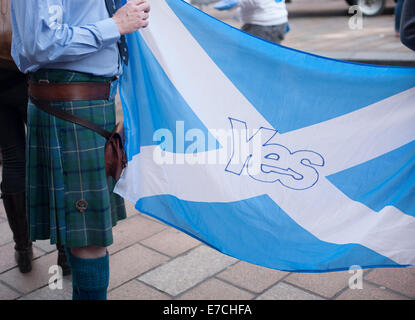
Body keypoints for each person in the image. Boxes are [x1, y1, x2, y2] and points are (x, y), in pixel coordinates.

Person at [10, 0, 150, 300]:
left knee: (83, 234)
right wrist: (114, 25)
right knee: (88, 237)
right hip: (70, 103)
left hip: (89, 99)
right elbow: (39, 43)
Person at [1, 0, 70, 275]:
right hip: (30, 75)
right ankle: (65, 251)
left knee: (13, 161)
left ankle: (22, 248)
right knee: (54, 160)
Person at [214, 0, 289, 44]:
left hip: (260, 26)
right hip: (280, 21)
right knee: (272, 51)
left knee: (250, 53)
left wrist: (236, 2)